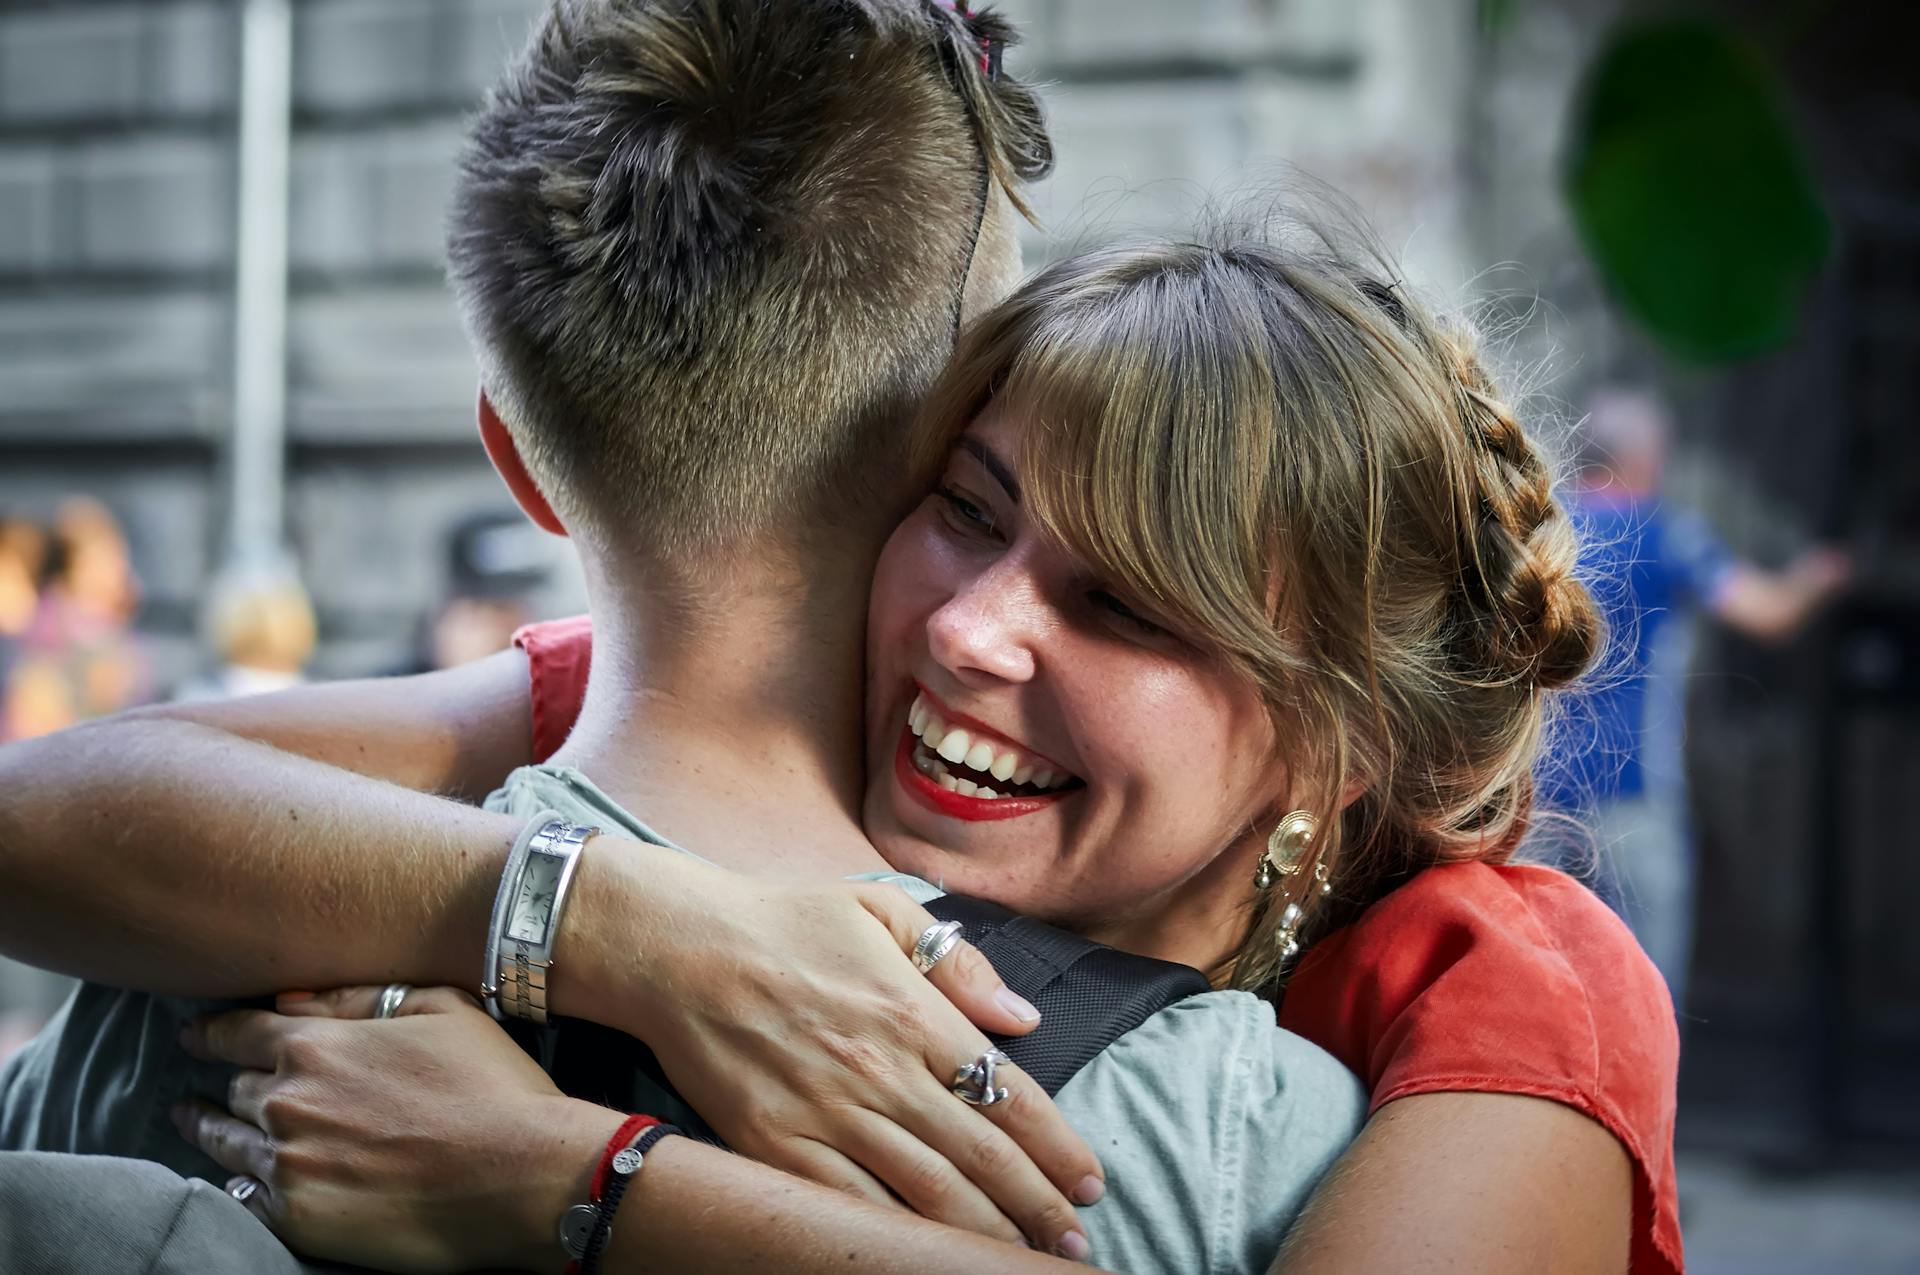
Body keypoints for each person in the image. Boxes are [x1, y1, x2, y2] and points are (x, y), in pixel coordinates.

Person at [0, 8, 1678, 1275]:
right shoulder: (1238, 1143)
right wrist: (626, 930)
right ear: (898, 454)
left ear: (1332, 746)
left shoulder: (1498, 996)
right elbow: (50, 805)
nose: (970, 625)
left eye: (1126, 607)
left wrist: (578, 1178)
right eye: (968, 502)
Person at [1539, 385, 1851, 1006]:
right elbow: (1768, 613)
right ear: (1645, 457)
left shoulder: (1546, 529)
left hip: (1536, 793)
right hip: (1632, 794)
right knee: (1644, 991)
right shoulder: (1666, 535)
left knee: (1536, 980)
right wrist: (1823, 574)